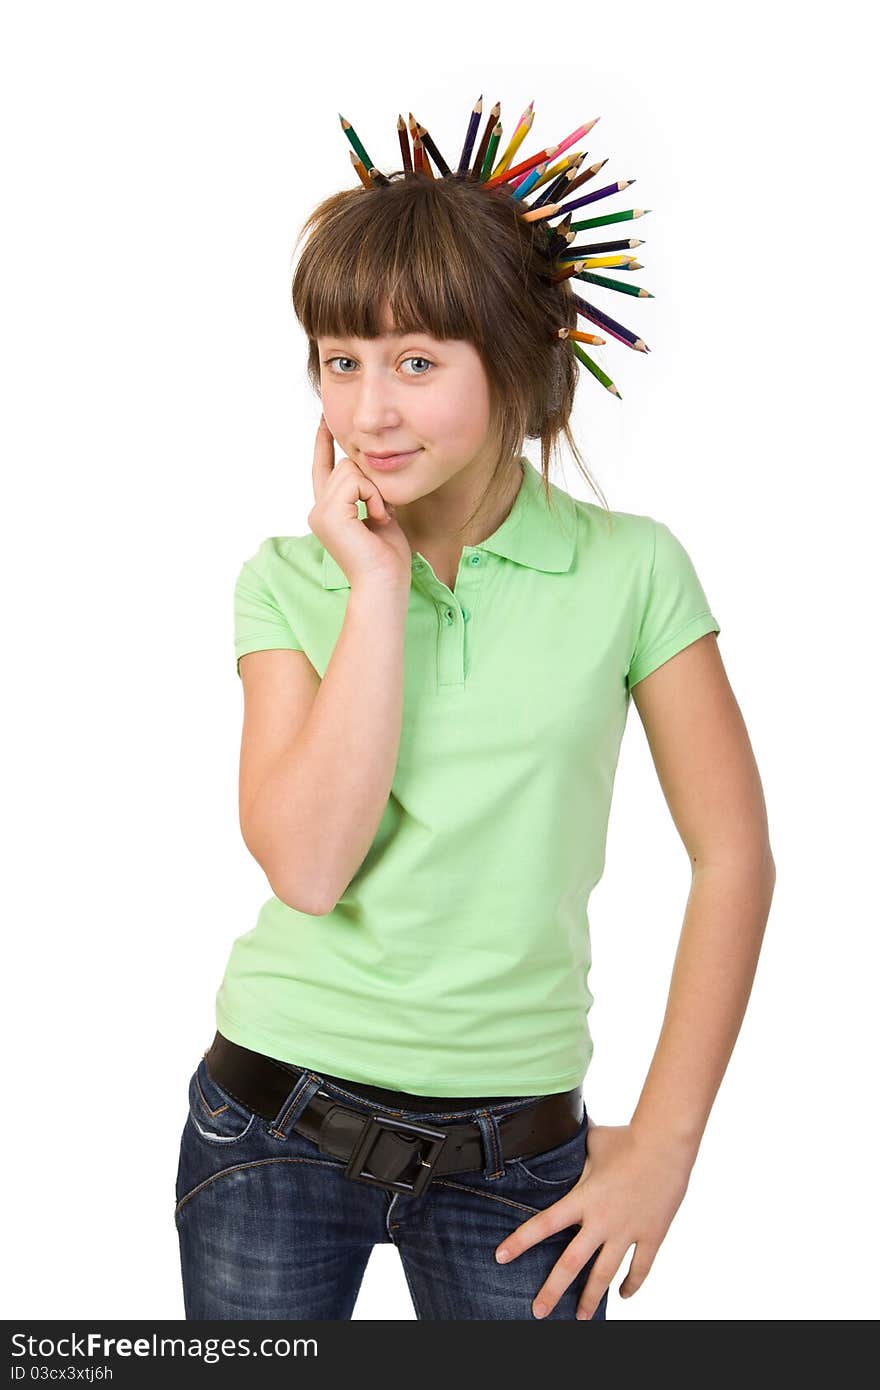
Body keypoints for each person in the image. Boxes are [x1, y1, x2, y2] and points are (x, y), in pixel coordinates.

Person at [173, 163, 776, 1322]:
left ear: (515, 358)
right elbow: (307, 866)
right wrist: (376, 590)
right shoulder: (290, 582)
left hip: (523, 1156)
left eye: (415, 361)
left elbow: (731, 856)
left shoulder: (631, 570)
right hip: (271, 1126)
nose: (367, 411)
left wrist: (663, 1144)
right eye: (340, 361)